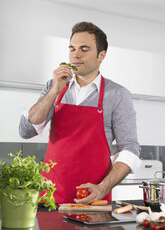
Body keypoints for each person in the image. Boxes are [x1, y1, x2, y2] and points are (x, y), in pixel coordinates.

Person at [19, 21, 141, 204]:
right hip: (50, 199)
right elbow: (26, 131)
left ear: (101, 55)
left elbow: (130, 150)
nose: (75, 55)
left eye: (84, 49)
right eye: (72, 48)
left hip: (93, 200)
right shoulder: (54, 86)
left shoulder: (117, 95)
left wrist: (102, 188)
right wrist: (54, 91)